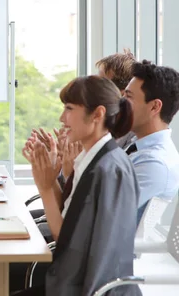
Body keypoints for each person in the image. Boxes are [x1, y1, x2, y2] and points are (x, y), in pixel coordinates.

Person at [18, 75, 141, 296]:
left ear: (97, 114)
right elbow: (68, 216)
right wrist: (51, 180)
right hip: (78, 282)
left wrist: (46, 187)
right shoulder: (93, 158)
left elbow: (65, 239)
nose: (62, 118)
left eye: (69, 109)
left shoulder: (107, 170)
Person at [124, 60, 179, 221]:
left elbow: (96, 216)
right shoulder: (138, 148)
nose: (120, 104)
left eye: (128, 97)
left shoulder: (154, 163)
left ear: (155, 107)